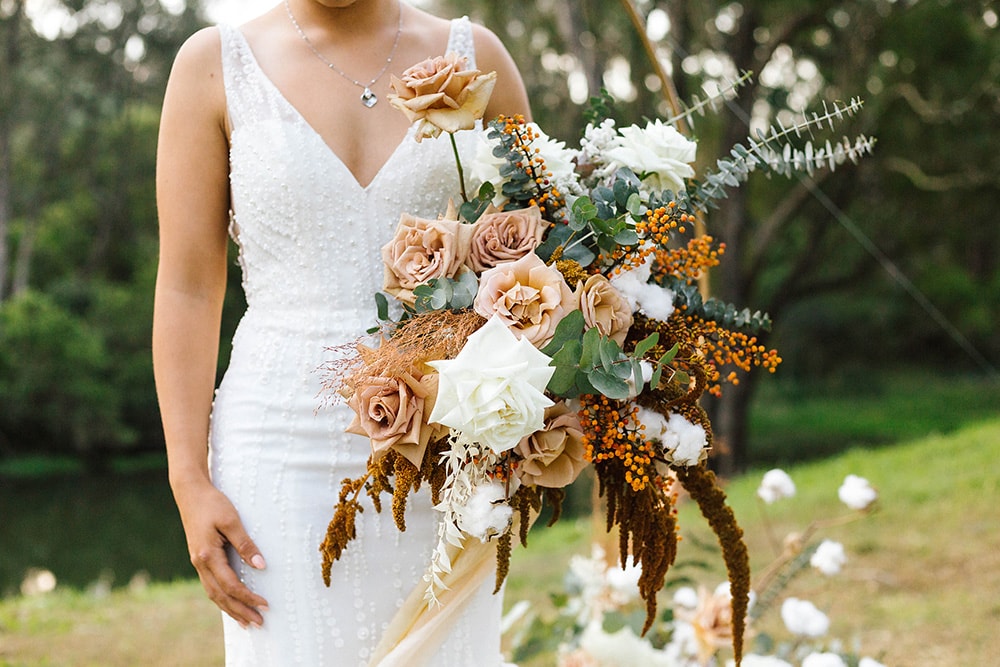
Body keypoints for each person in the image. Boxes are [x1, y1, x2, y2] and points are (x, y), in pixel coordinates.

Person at [152, 0, 530, 664]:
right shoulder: (214, 68)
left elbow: (535, 262)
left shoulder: (480, 58)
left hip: (445, 456)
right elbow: (187, 284)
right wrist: (188, 480)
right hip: (274, 455)